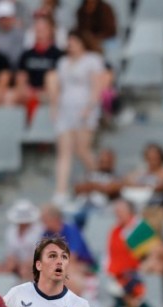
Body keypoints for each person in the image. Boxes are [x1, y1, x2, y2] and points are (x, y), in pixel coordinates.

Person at [49, 30, 105, 205]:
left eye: (73, 40)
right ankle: (61, 191)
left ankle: (99, 182)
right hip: (66, 110)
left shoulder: (93, 60)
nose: (70, 44)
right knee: (64, 152)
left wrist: (90, 108)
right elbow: (59, 87)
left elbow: (97, 86)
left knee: (82, 149)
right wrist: (55, 107)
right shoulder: (63, 62)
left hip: (84, 110)